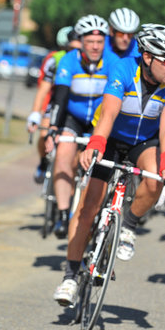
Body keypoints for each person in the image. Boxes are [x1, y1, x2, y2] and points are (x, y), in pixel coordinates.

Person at [53, 24, 165, 305]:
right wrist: (95, 145)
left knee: (155, 180)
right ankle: (69, 277)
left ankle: (128, 224)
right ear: (147, 57)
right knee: (88, 208)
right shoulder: (123, 69)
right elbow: (108, 115)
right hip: (111, 138)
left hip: (144, 142)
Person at [43, 15, 111, 238]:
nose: (94, 46)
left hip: (98, 122)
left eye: (99, 42)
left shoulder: (112, 62)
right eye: (90, 42)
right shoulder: (69, 61)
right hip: (73, 117)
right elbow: (60, 98)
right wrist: (53, 128)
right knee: (63, 154)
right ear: (81, 41)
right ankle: (63, 214)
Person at [27, 26, 81, 183]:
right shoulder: (55, 60)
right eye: (70, 48)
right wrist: (36, 113)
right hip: (56, 103)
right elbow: (43, 89)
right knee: (44, 135)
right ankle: (43, 163)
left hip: (77, 109)